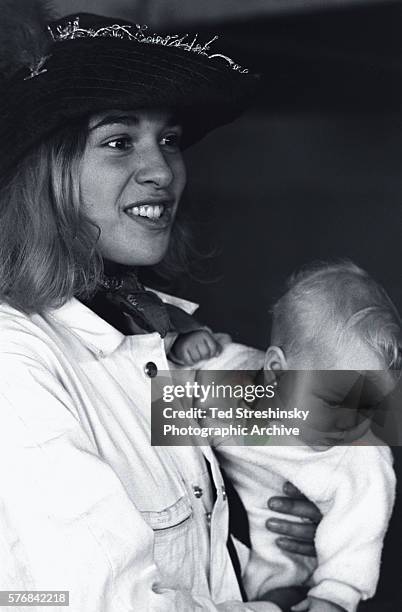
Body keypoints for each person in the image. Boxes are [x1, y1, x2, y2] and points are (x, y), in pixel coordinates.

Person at [0, 6, 321, 611]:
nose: (162, 169)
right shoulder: (16, 361)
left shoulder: (142, 326)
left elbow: (329, 414)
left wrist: (298, 516)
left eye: (168, 139)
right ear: (42, 173)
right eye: (119, 141)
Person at [197, 262, 400, 612]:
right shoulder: (230, 377)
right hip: (211, 560)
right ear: (276, 373)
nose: (350, 423)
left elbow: (361, 532)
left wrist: (333, 597)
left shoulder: (361, 456)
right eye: (334, 401)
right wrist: (186, 337)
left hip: (288, 581)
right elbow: (176, 374)